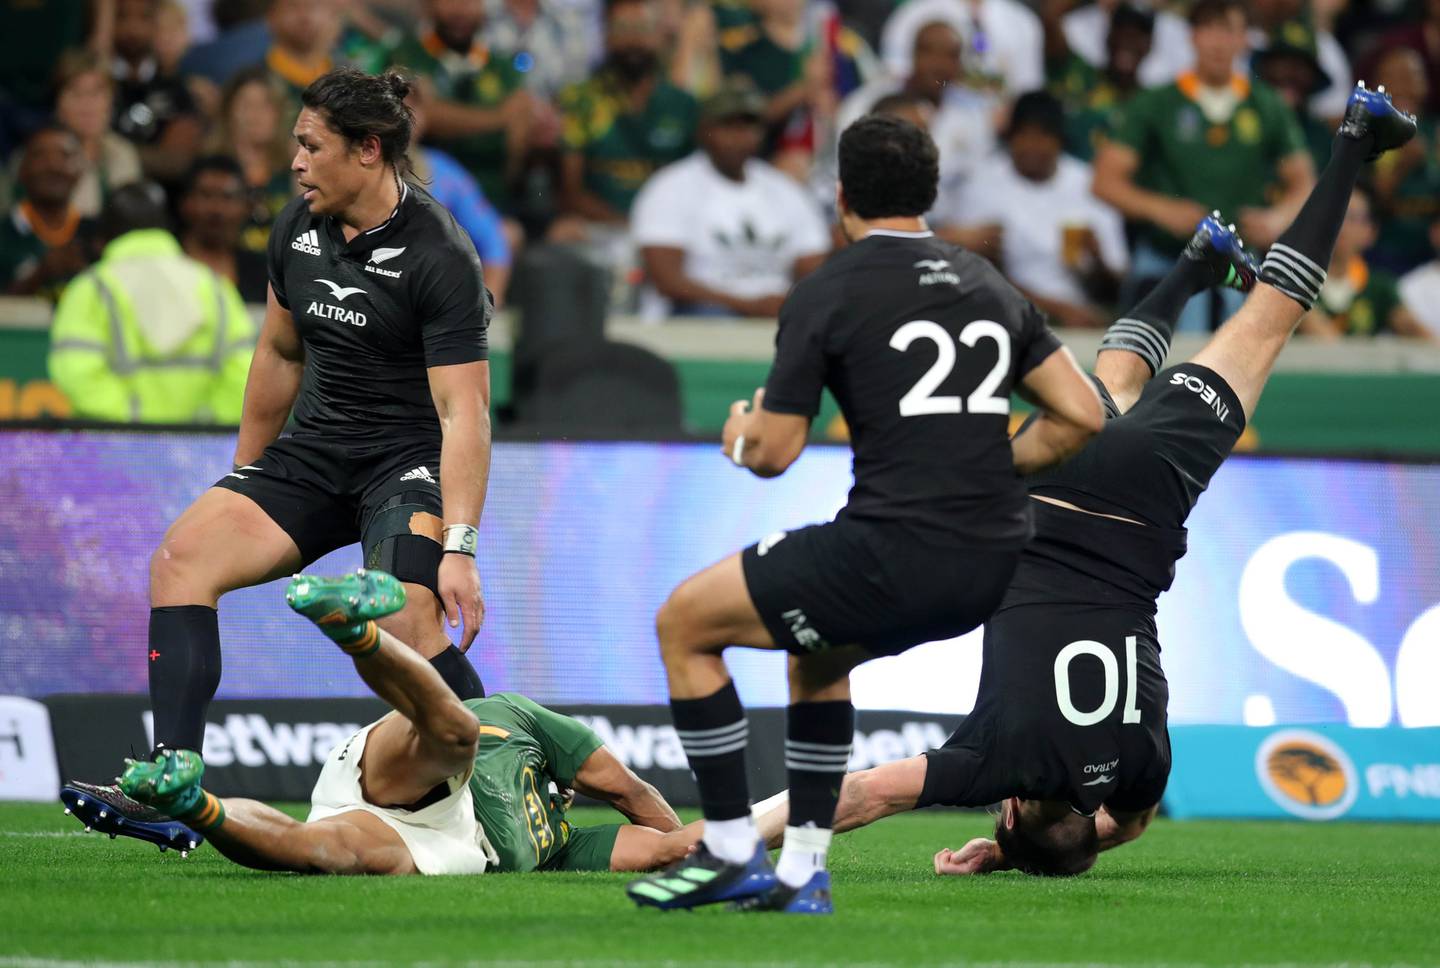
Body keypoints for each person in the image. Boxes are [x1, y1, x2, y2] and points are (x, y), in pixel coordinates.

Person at [747, 83, 1418, 878]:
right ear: (1008, 814)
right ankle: (1213, 250)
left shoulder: (1143, 775)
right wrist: (713, 834)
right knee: (1108, 383)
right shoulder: (992, 764)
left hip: (1143, 501)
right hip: (1048, 493)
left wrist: (1028, 851)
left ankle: (1337, 152)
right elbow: (859, 795)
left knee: (1263, 321)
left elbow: (1124, 829)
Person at [624, 114, 1105, 914]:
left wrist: (741, 435)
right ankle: (802, 869)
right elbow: (1081, 414)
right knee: (818, 657)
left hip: (894, 549)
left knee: (684, 624)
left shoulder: (828, 290)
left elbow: (776, 453)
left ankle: (734, 852)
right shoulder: (990, 284)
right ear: (930, 193)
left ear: (840, 195)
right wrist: (989, 461)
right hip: (991, 568)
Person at [73, 69, 495, 847]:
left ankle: (508, 781)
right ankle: (173, 789)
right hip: (314, 453)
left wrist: (460, 547)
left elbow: (462, 411)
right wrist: (243, 478)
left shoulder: (440, 254)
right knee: (182, 558)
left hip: (404, 464)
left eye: (311, 146)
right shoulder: (295, 230)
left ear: (368, 150)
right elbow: (277, 354)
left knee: (408, 618)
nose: (295, 163)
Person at [64, 569, 705, 874]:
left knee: (318, 853)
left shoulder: (564, 848)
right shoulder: (525, 721)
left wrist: (802, 806)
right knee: (456, 733)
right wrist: (587, 784)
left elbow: (676, 843)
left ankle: (190, 802)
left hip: (447, 846)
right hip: (422, 774)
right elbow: (630, 791)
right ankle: (354, 629)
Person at [1093, 0, 1314, 332]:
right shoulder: (1156, 102)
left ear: (1245, 40)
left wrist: (1277, 218)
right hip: (1165, 261)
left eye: (1228, 30)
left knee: (1237, 369)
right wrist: (1160, 209)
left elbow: (1304, 181)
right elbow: (1105, 182)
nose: (1218, 41)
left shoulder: (1267, 105)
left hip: (1237, 268)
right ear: (1192, 36)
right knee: (1147, 364)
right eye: (1208, 29)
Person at [48, 181, 255, 423]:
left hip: (117, 451)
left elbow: (77, 372)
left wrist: (138, 427)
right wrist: (202, 428)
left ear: (102, 239)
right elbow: (246, 371)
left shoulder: (92, 289)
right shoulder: (214, 287)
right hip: (200, 452)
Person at [630, 82, 830, 318]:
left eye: (749, 127)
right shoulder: (670, 187)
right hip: (699, 313)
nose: (740, 138)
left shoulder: (783, 189)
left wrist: (792, 303)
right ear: (704, 130)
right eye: (728, 127)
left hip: (776, 311)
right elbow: (668, 281)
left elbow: (814, 266)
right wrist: (749, 306)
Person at [945, 90, 1128, 329]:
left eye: (1043, 136)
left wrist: (1097, 259)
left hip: (1083, 319)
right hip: (1007, 319)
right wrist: (1057, 311)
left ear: (1060, 140)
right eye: (1024, 135)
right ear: (1010, 138)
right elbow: (976, 279)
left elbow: (1116, 288)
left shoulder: (1088, 184)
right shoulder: (982, 185)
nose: (1032, 146)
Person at [554, 0, 699, 230]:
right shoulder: (580, 100)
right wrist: (629, 227)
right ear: (605, 36)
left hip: (670, 231)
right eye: (622, 29)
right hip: (601, 229)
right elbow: (571, 191)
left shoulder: (684, 104)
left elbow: (695, 184)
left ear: (660, 36)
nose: (633, 39)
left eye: (643, 29)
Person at [836, 22, 998, 219]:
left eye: (951, 56)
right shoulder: (866, 103)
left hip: (955, 229)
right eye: (930, 52)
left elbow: (981, 184)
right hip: (881, 220)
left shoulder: (973, 115)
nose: (940, 65)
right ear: (913, 54)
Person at [389, 0, 536, 214]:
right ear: (428, 5)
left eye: (470, 1)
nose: (460, 10)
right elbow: (419, 116)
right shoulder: (406, 55)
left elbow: (519, 137)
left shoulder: (501, 65)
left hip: (493, 202)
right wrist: (499, 118)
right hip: (425, 198)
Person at [405, 84, 515, 306]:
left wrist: (484, 310)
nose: (405, 114)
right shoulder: (352, 168)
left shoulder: (443, 172)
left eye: (414, 106)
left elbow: (493, 240)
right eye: (395, 104)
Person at [1297, 187, 1429, 340]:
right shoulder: (1294, 278)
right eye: (1333, 213)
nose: (1340, 223)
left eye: (1351, 217)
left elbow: (1419, 334)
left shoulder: (1379, 288)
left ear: (1370, 232)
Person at [1045, 1, 1155, 162]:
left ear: (1150, 45)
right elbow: (1050, 15)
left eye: (1138, 35)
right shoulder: (1075, 71)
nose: (1128, 42)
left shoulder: (1152, 104)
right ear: (1108, 34)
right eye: (1122, 32)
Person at [110, 0, 206, 185]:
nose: (133, 28)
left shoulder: (178, 89)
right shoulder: (94, 82)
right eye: (121, 17)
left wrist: (107, 151)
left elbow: (176, 162)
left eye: (143, 18)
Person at [0, 125, 99, 299]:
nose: (53, 166)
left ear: (81, 170)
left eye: (65, 156)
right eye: (40, 156)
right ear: (22, 169)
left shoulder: (99, 236)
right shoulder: (4, 234)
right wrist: (40, 274)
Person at [207, 67, 297, 256]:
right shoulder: (210, 171)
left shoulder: (295, 171)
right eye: (246, 105)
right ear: (228, 112)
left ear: (280, 113)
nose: (255, 114)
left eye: (266, 105)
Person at [879, 0, 1044, 97]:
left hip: (998, 135)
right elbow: (895, 78)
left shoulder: (1022, 22)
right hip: (930, 115)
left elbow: (1028, 89)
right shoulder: (913, 14)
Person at [52, 49, 144, 219]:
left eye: (96, 93)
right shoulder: (43, 156)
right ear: (59, 105)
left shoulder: (124, 153)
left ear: (111, 101)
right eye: (76, 94)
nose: (87, 105)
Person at [177, 155, 270, 303]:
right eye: (205, 195)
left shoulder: (263, 273)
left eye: (228, 197)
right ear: (186, 202)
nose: (216, 209)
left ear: (245, 206)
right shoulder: (166, 263)